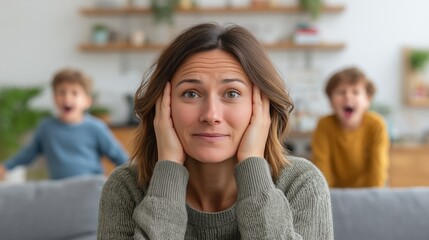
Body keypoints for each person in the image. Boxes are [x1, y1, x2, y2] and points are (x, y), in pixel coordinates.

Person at [97, 23, 333, 239]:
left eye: (231, 94)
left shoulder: (301, 183)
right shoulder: (126, 188)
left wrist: (252, 164)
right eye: (191, 93)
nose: (211, 115)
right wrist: (168, 171)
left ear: (261, 106)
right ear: (163, 105)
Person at [0, 68, 128, 180]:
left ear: (87, 101)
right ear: (54, 97)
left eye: (74, 93)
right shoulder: (46, 128)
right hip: (60, 190)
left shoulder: (96, 128)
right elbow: (28, 154)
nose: (67, 98)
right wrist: (6, 167)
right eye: (61, 92)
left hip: (91, 187)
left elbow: (119, 157)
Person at [311, 67, 390, 188]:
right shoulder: (324, 126)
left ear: (367, 100)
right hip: (334, 195)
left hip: (369, 194)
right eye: (341, 92)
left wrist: (374, 197)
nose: (348, 96)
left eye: (355, 92)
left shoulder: (376, 125)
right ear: (331, 102)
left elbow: (378, 171)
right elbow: (322, 170)